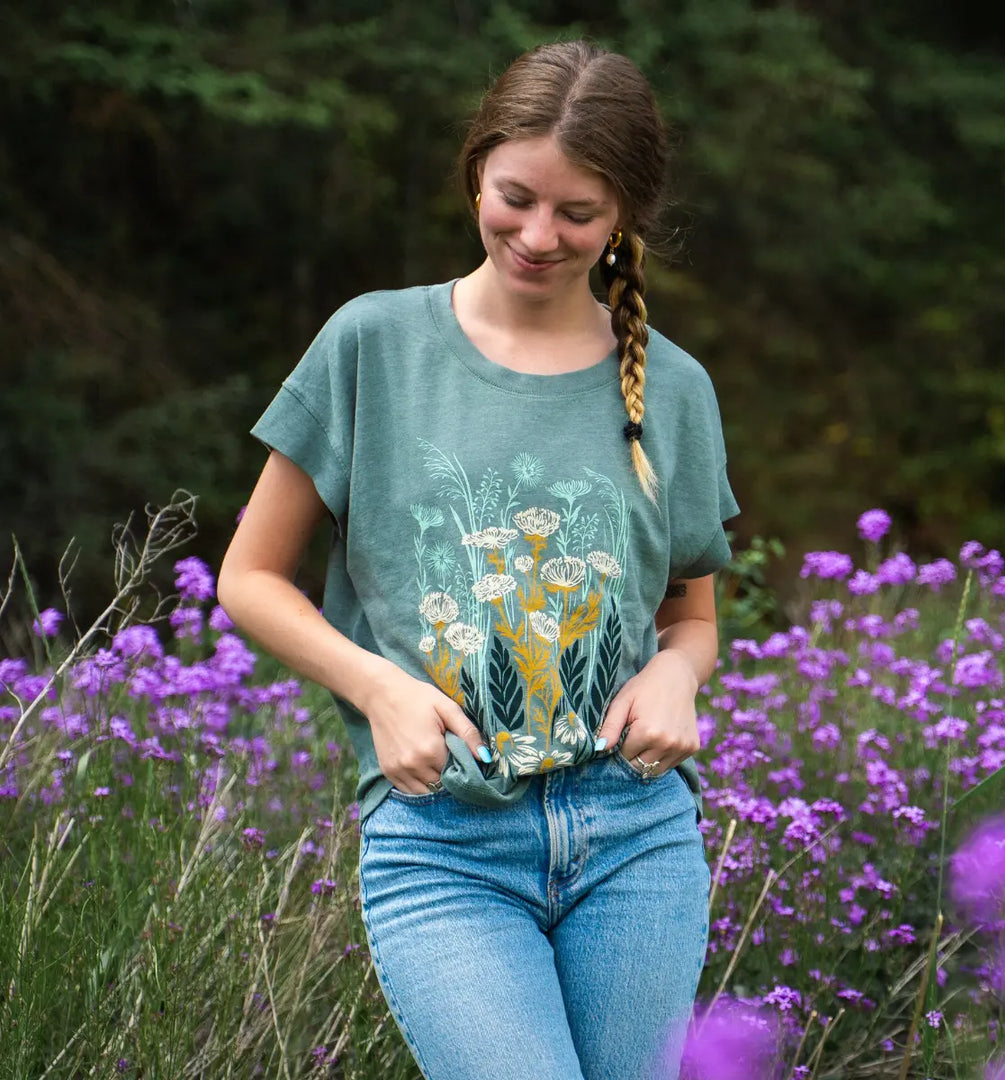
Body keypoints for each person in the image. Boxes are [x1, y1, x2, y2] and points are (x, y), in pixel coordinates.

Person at [218, 39, 739, 1080]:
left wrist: (679, 676)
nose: (539, 236)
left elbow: (689, 616)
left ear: (623, 217)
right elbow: (250, 578)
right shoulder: (372, 345)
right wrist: (378, 689)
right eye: (516, 198)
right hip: (442, 842)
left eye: (578, 213)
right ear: (475, 175)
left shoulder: (675, 390)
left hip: (635, 835)